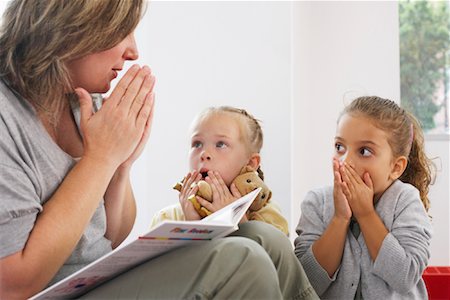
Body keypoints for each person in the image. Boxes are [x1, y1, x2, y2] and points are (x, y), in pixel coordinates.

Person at [0, 1, 318, 299]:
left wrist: (121, 163)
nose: (133, 51)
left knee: (266, 238)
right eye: (121, 31)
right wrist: (101, 158)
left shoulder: (80, 101)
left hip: (93, 279)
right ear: (70, 29)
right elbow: (14, 285)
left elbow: (109, 235)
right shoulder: (6, 117)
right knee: (244, 260)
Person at [294, 96, 434, 299]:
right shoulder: (317, 202)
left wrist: (365, 213)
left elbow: (405, 277)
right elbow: (305, 285)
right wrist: (340, 218)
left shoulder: (406, 201)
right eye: (339, 147)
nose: (345, 161)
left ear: (396, 167)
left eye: (364, 151)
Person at [150, 106, 289, 235]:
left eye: (220, 144)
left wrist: (237, 220)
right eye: (197, 144)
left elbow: (274, 257)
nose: (204, 154)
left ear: (251, 163)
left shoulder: (267, 216)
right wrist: (192, 224)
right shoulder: (167, 219)